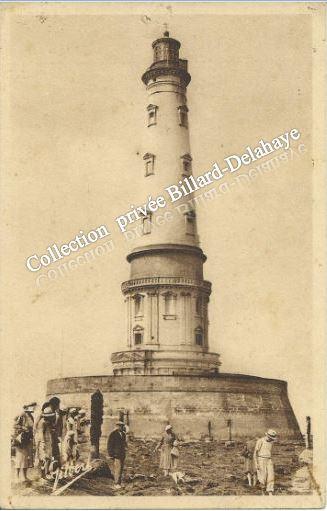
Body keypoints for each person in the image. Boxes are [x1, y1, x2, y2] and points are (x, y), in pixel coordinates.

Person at [12, 404, 36, 482]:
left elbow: (31, 428)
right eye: (32, 406)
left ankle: (24, 476)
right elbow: (15, 425)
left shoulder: (31, 416)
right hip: (21, 439)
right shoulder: (22, 414)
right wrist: (23, 428)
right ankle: (16, 477)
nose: (34, 408)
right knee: (19, 458)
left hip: (27, 439)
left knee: (26, 458)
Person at [254, 429, 277, 495]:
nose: (271, 440)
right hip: (261, 459)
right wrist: (256, 463)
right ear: (267, 436)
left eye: (272, 438)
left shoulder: (271, 442)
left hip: (269, 459)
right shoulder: (260, 441)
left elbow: (270, 451)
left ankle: (270, 491)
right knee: (262, 476)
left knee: (271, 475)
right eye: (271, 438)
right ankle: (263, 492)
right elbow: (255, 453)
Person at [107, 421, 127, 489]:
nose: (121, 427)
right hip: (116, 454)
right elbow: (109, 445)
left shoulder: (123, 434)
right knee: (117, 469)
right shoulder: (113, 434)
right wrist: (111, 454)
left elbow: (124, 444)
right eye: (119, 426)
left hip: (122, 454)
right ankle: (116, 483)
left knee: (121, 469)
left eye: (122, 426)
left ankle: (119, 483)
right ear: (117, 426)